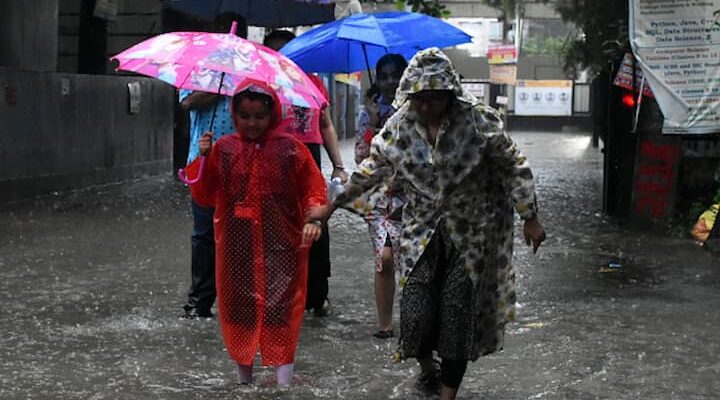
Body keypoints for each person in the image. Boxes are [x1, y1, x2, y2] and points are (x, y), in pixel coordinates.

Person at [310, 48, 546, 399]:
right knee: (416, 312)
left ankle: (448, 393)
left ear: (449, 95)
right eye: (419, 99)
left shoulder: (479, 121)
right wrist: (331, 206)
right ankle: (426, 367)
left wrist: (529, 216)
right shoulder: (401, 125)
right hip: (420, 233)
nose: (425, 107)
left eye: (433, 100)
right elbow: (370, 169)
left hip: (470, 236)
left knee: (456, 314)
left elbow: (514, 165)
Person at [185, 80, 327, 386]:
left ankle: (284, 381)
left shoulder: (291, 149)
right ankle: (243, 381)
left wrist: (313, 219)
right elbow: (204, 194)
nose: (252, 123)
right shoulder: (223, 149)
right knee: (238, 307)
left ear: (272, 113)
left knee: (282, 307)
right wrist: (205, 158)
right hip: (237, 246)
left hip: (282, 244)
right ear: (235, 114)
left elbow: (313, 189)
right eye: (245, 116)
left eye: (259, 116)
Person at [264, 30, 349, 317]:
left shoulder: (312, 83)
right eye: (276, 51)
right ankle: (282, 294)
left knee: (317, 223)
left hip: (309, 159)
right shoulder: (263, 87)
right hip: (275, 159)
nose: (283, 57)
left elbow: (325, 124)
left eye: (287, 50)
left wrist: (338, 165)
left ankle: (317, 294)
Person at [178, 13, 247, 319]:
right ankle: (200, 301)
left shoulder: (250, 72)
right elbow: (187, 102)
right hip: (201, 160)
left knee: (238, 231)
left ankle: (236, 300)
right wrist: (219, 85)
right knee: (203, 233)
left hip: (240, 162)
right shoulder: (197, 66)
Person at [353, 54, 407, 339]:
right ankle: (385, 324)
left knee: (411, 258)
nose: (389, 81)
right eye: (383, 76)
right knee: (384, 258)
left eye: (395, 75)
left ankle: (414, 318)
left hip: (412, 196)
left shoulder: (415, 111)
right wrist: (374, 124)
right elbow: (361, 158)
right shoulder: (368, 114)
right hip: (378, 197)